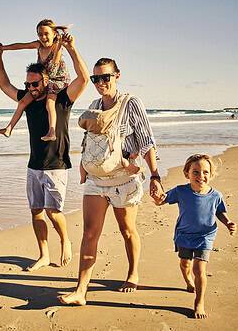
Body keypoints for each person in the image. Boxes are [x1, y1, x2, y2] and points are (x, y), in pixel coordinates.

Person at [59, 57, 163, 305]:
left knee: (127, 230)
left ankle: (133, 273)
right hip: (96, 179)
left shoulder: (131, 103)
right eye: (96, 78)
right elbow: (90, 141)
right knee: (89, 233)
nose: (100, 83)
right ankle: (80, 291)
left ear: (117, 76)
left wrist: (155, 176)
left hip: (124, 179)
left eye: (105, 77)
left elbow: (147, 141)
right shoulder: (95, 104)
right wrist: (84, 167)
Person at [0, 32, 88, 271]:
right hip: (34, 166)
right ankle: (43, 254)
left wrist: (72, 49)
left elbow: (84, 79)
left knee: (53, 212)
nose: (30, 88)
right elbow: (4, 84)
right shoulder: (28, 99)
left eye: (35, 84)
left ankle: (65, 241)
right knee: (36, 211)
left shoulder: (62, 100)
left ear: (46, 81)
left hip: (56, 165)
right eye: (27, 84)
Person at [154, 153, 237, 319]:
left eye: (205, 172)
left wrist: (228, 223)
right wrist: (157, 197)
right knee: (185, 264)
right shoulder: (180, 191)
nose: (201, 176)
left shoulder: (216, 195)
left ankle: (199, 302)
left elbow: (220, 212)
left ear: (211, 174)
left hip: (205, 236)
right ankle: (187, 281)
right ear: (187, 174)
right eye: (196, 172)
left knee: (199, 269)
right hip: (184, 234)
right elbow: (161, 200)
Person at [0, 19, 71, 141]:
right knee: (23, 102)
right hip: (42, 80)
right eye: (40, 34)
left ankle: (52, 131)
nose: (43, 37)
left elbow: (53, 69)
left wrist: (62, 42)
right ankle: (9, 128)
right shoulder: (38, 45)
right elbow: (21, 45)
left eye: (46, 34)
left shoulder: (57, 46)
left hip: (57, 80)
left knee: (50, 102)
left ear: (54, 34)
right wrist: (3, 48)